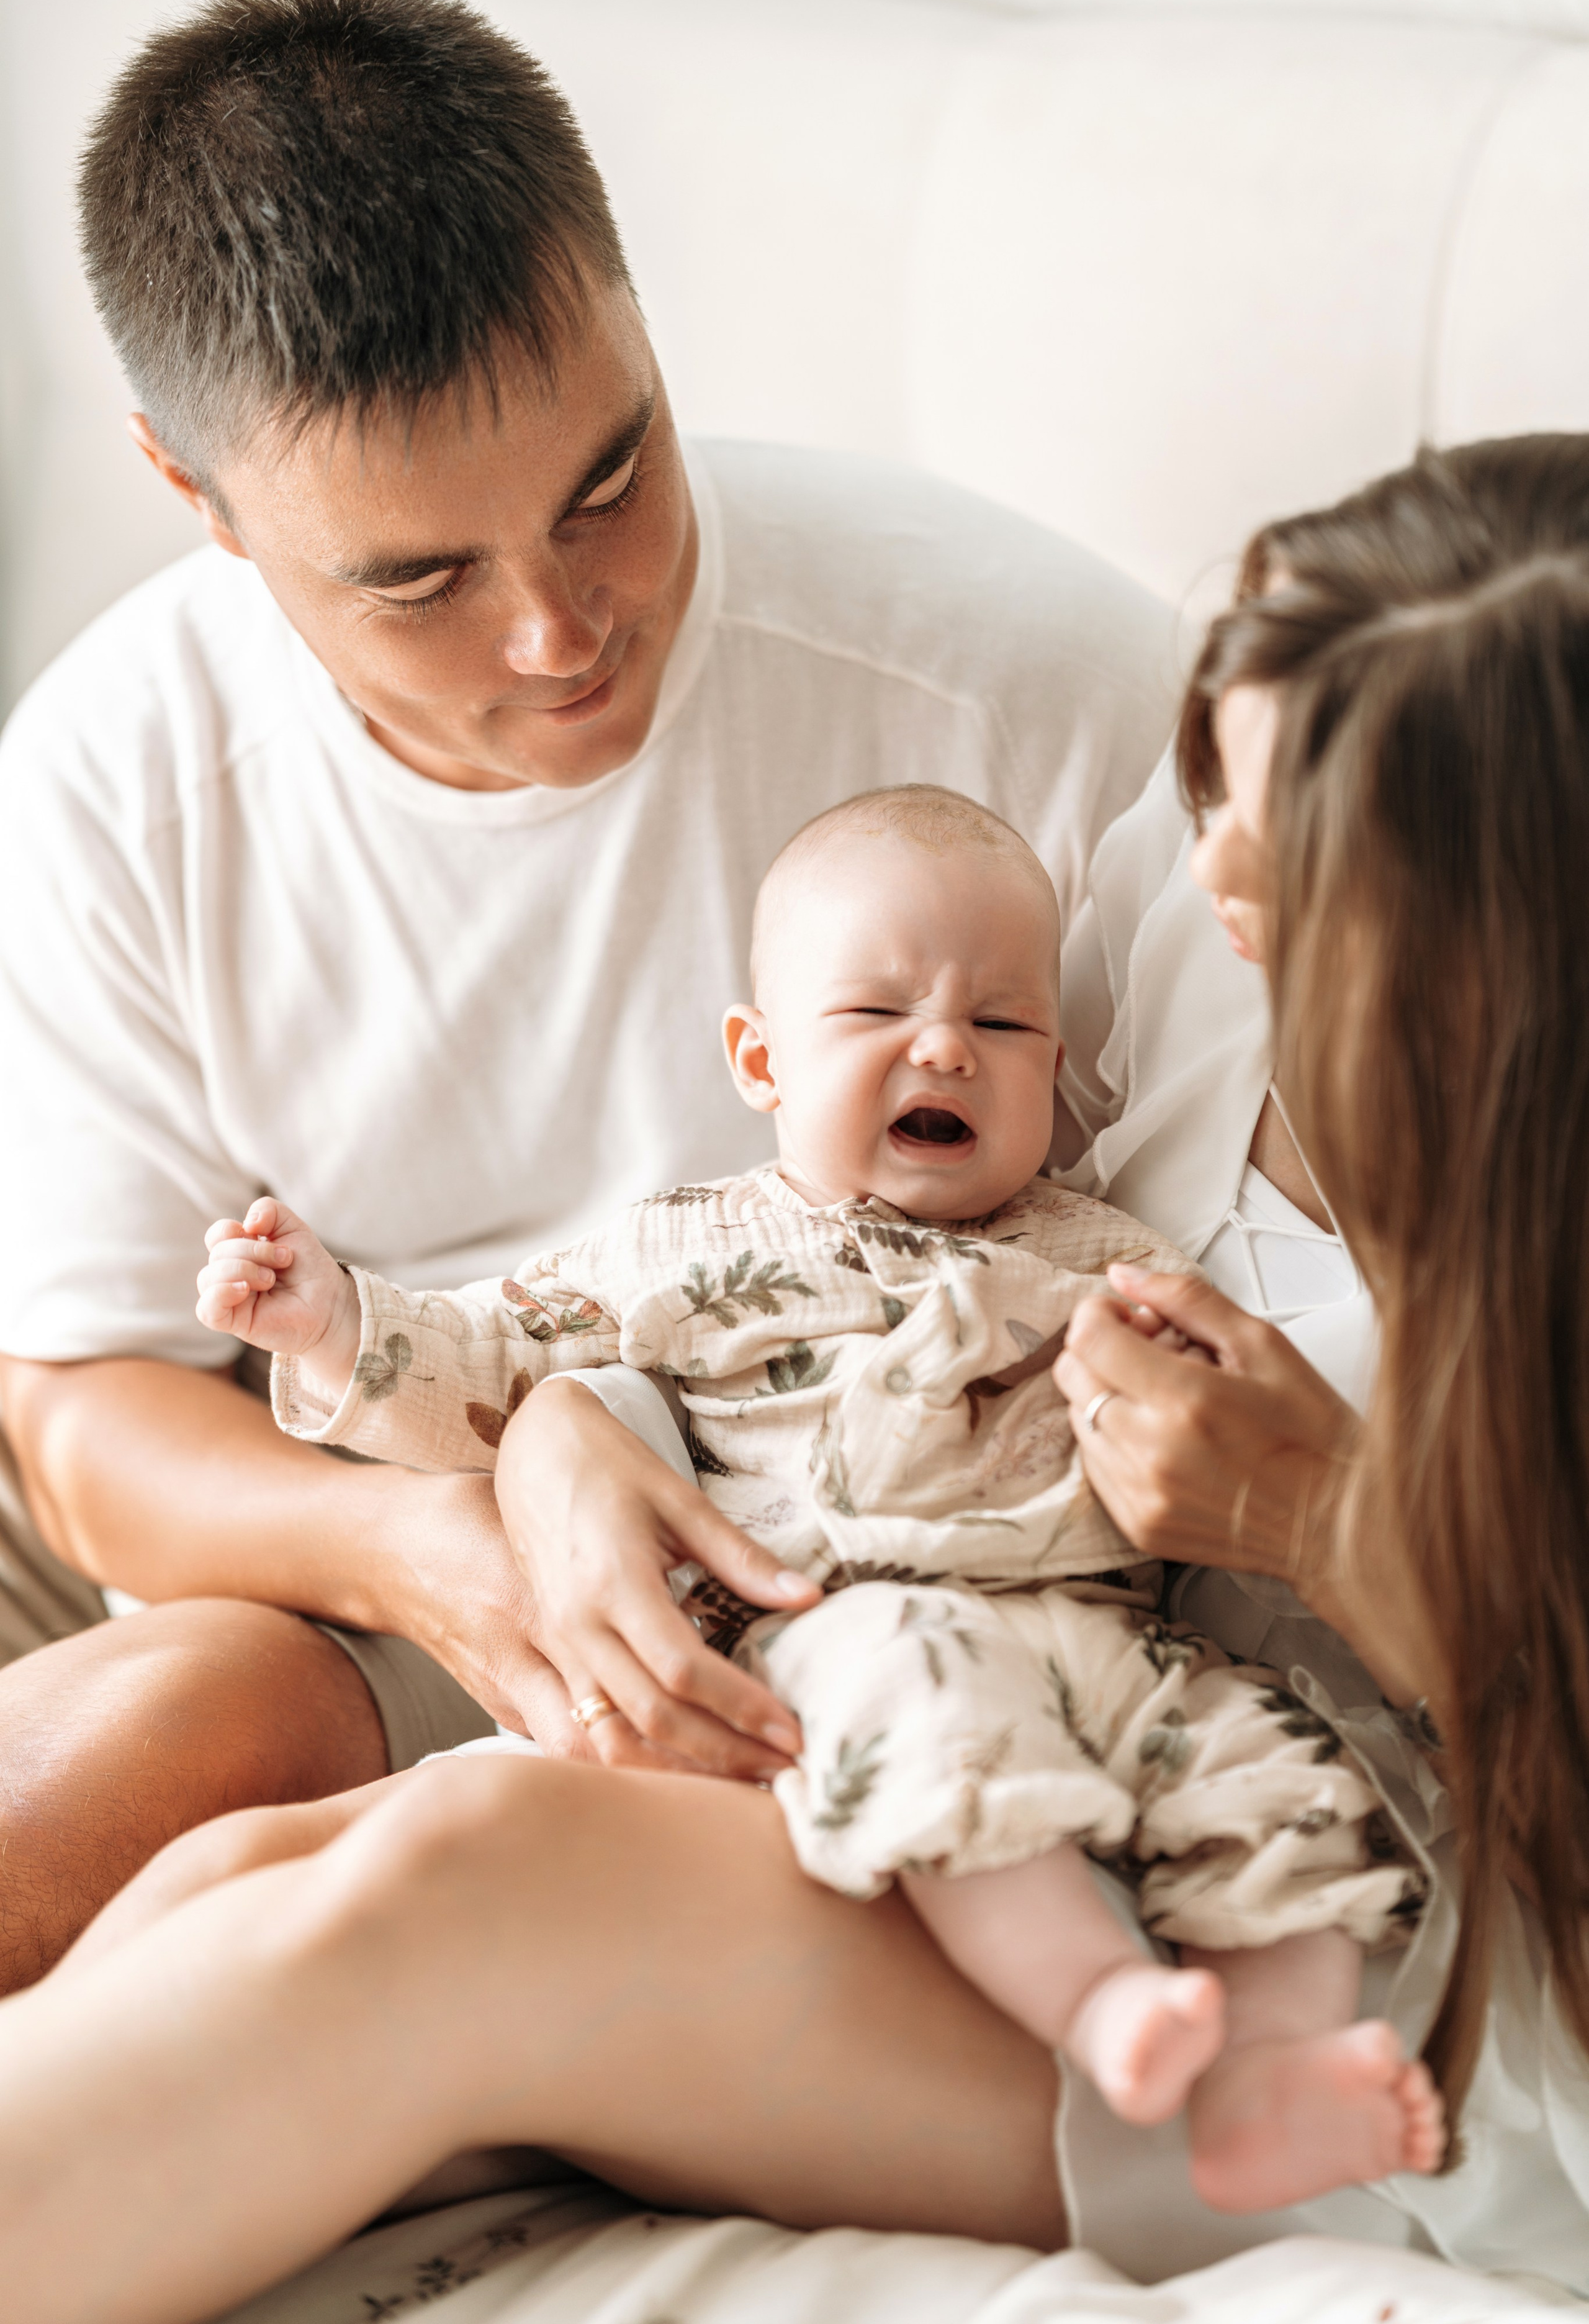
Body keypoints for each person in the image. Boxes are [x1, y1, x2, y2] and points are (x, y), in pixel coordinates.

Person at [2, 433, 1587, 2324]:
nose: (1212, 859)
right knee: (238, 1864)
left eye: (1289, 839)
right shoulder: (1200, 945)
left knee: (465, 1877)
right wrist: (581, 1432)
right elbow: (867, 1272)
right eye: (1211, 782)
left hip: (1336, 1993)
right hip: (985, 1780)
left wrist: (1323, 1523)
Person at [0, 0, 1174, 1987]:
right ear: (193, 498)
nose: (562, 631)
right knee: (130, 1782)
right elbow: (86, 1415)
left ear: (634, 310)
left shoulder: (1029, 693)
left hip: (876, 1580)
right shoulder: (123, 775)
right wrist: (446, 1544)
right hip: (365, 1535)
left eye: (608, 480)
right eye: (419, 578)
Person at [192, 781, 1439, 2213]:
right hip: (840, 1628)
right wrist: (333, 1319)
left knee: (1270, 1767)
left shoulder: (1109, 1251)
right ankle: (1097, 2007)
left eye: (1005, 1026)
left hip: (1110, 1641)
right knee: (932, 1695)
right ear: (759, 1057)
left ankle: (1270, 2077)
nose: (944, 1050)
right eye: (874, 1017)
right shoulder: (691, 1249)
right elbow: (486, 1364)